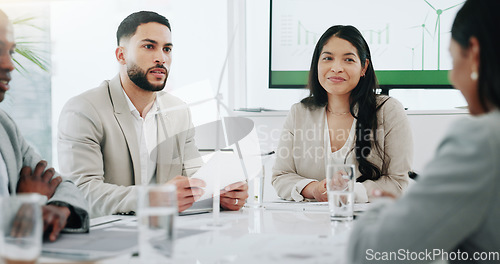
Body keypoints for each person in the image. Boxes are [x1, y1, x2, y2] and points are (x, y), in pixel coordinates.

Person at [347, 0, 500, 262]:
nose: (453, 77)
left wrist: (383, 209)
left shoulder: (483, 139)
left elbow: (374, 253)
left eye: (453, 60)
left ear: (474, 53)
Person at [57, 11, 247, 218]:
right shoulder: (84, 109)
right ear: (121, 55)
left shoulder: (178, 111)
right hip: (106, 238)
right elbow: (82, 191)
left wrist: (221, 193)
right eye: (149, 46)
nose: (161, 58)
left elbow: (194, 177)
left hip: (166, 234)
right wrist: (154, 197)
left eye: (167, 49)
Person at [272, 25, 413, 203]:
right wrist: (314, 189)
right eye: (327, 58)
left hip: (369, 223)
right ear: (317, 64)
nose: (336, 68)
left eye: (348, 60)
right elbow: (281, 176)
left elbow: (398, 183)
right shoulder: (299, 112)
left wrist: (351, 192)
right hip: (309, 224)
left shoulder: (388, 110)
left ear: (364, 67)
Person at [0, 9, 88, 241]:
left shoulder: (4, 125)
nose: (10, 65)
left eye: (11, 52)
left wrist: (59, 208)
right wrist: (29, 202)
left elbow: (62, 183)